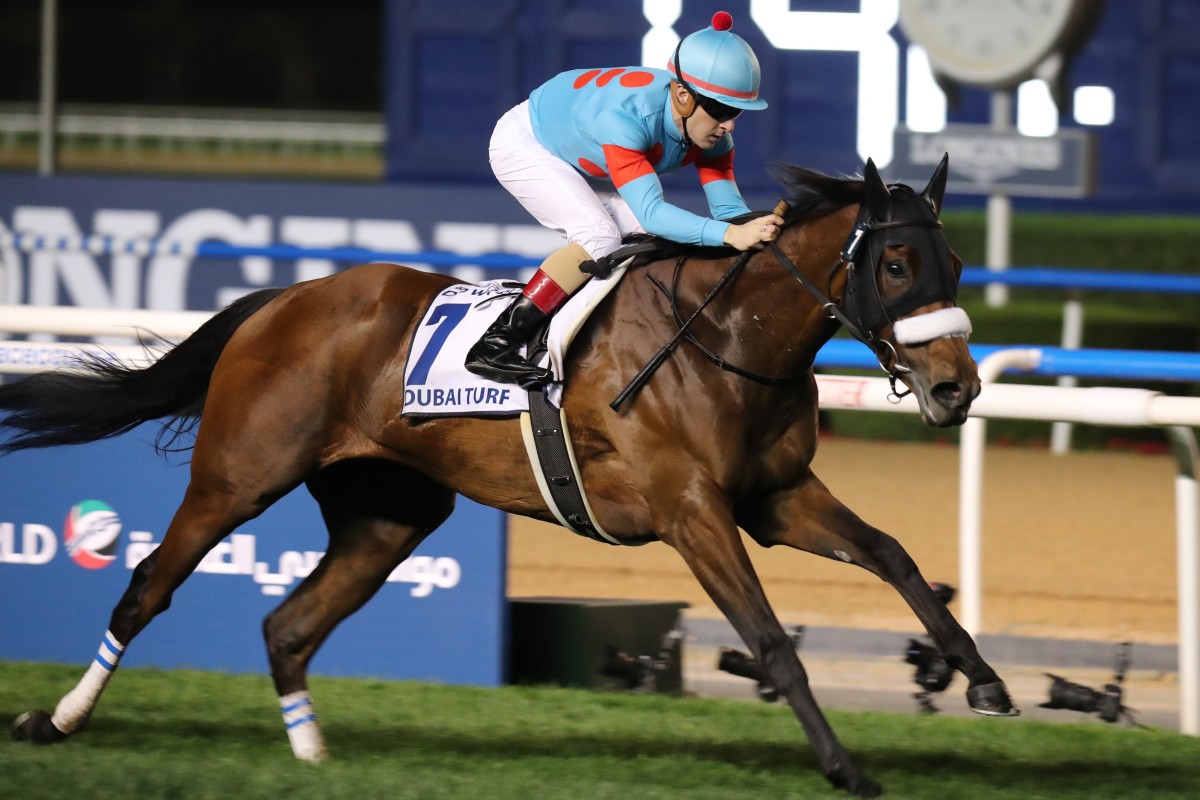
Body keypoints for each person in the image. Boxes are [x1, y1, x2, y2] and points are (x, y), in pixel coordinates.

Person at [465, 11, 783, 389]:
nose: (730, 125)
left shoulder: (715, 137)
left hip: (581, 146)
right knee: (599, 236)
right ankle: (495, 344)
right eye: (721, 110)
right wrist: (732, 236)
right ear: (683, 96)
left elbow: (730, 215)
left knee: (650, 240)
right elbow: (655, 213)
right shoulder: (627, 120)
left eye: (736, 113)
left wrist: (761, 230)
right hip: (527, 142)